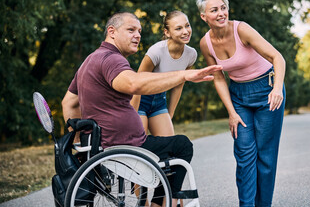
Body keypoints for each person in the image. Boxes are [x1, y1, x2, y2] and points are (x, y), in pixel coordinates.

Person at [61, 12, 222, 207]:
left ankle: (157, 202)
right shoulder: (112, 59)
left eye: (139, 31)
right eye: (131, 30)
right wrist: (184, 75)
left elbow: (68, 103)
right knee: (182, 145)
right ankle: (157, 204)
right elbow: (133, 84)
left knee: (172, 144)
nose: (137, 35)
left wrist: (79, 141)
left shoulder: (91, 59)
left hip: (101, 144)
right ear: (111, 32)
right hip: (122, 145)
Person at [196, 0, 286, 207]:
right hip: (239, 96)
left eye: (223, 7)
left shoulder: (241, 29)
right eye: (214, 10)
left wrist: (277, 89)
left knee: (265, 156)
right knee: (244, 154)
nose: (221, 13)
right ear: (203, 16)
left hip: (267, 90)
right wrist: (231, 112)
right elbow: (218, 77)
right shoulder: (205, 43)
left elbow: (277, 57)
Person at [131, 10, 197, 137]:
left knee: (168, 144)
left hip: (160, 101)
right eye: (178, 28)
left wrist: (170, 114)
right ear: (167, 32)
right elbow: (136, 84)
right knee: (140, 145)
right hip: (141, 99)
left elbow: (179, 85)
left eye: (187, 25)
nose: (185, 31)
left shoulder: (191, 55)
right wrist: (132, 113)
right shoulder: (156, 51)